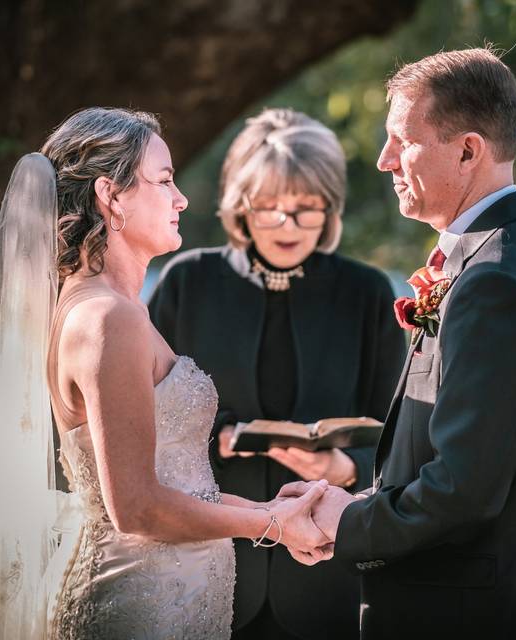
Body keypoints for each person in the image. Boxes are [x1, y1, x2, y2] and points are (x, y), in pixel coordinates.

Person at [0, 107, 332, 640]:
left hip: (177, 599)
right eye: (164, 180)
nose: (181, 198)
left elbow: (177, 484)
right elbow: (138, 508)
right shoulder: (106, 318)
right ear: (111, 196)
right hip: (140, 607)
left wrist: (265, 512)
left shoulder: (118, 309)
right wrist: (270, 524)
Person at [283, 49, 516, 638]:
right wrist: (355, 503)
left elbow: (463, 489)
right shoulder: (510, 256)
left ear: (467, 150)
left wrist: (348, 524)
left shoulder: (497, 281)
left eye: (402, 140)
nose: (383, 161)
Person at [148, 108, 405, 639]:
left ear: (330, 209)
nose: (288, 227)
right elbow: (140, 422)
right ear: (241, 207)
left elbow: (399, 434)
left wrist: (345, 466)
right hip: (203, 566)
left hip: (326, 576)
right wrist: (213, 438)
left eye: (306, 209)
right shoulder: (186, 283)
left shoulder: (368, 293)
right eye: (269, 209)